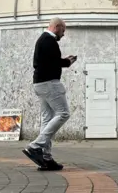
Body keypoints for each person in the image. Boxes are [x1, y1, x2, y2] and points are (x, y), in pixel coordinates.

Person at [22, 17, 77, 171]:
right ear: (57, 27)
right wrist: (66, 62)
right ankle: (35, 146)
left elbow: (48, 61)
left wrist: (65, 61)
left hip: (40, 84)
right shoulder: (49, 40)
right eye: (63, 30)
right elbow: (51, 63)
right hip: (49, 83)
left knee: (47, 119)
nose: (63, 34)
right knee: (63, 113)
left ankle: (46, 158)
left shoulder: (43, 40)